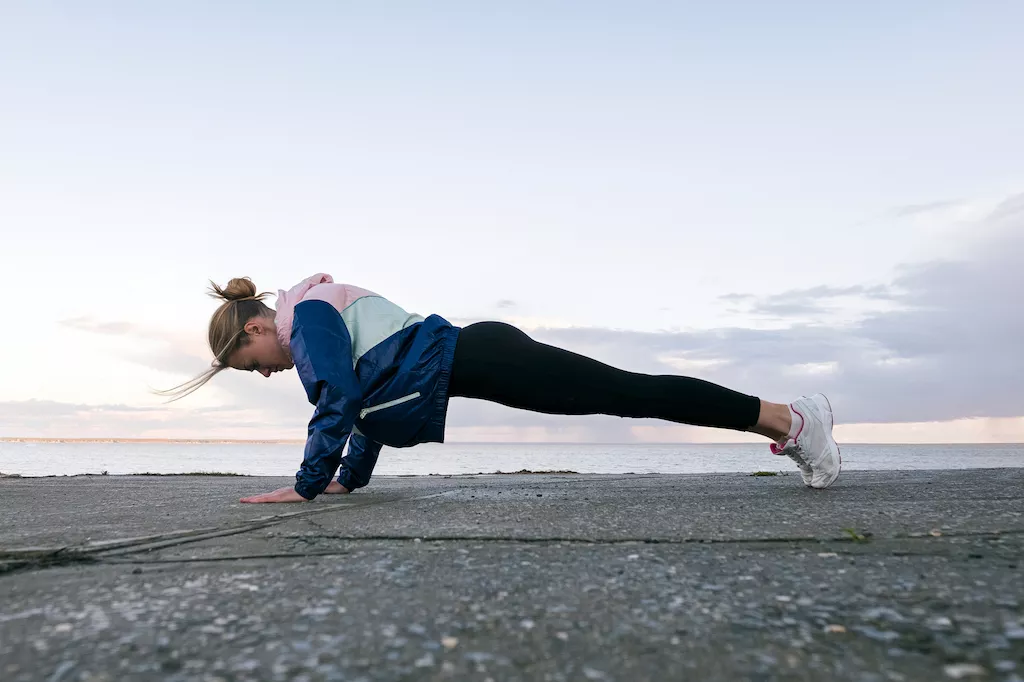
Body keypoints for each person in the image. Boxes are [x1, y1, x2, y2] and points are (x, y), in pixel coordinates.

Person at [161, 274, 841, 503]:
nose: (267, 373)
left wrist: (308, 485)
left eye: (253, 363)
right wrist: (347, 480)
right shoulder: (314, 316)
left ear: (256, 328)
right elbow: (364, 403)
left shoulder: (306, 318)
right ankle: (787, 422)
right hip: (481, 356)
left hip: (483, 355)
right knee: (628, 393)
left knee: (631, 392)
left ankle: (790, 419)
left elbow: (338, 397)